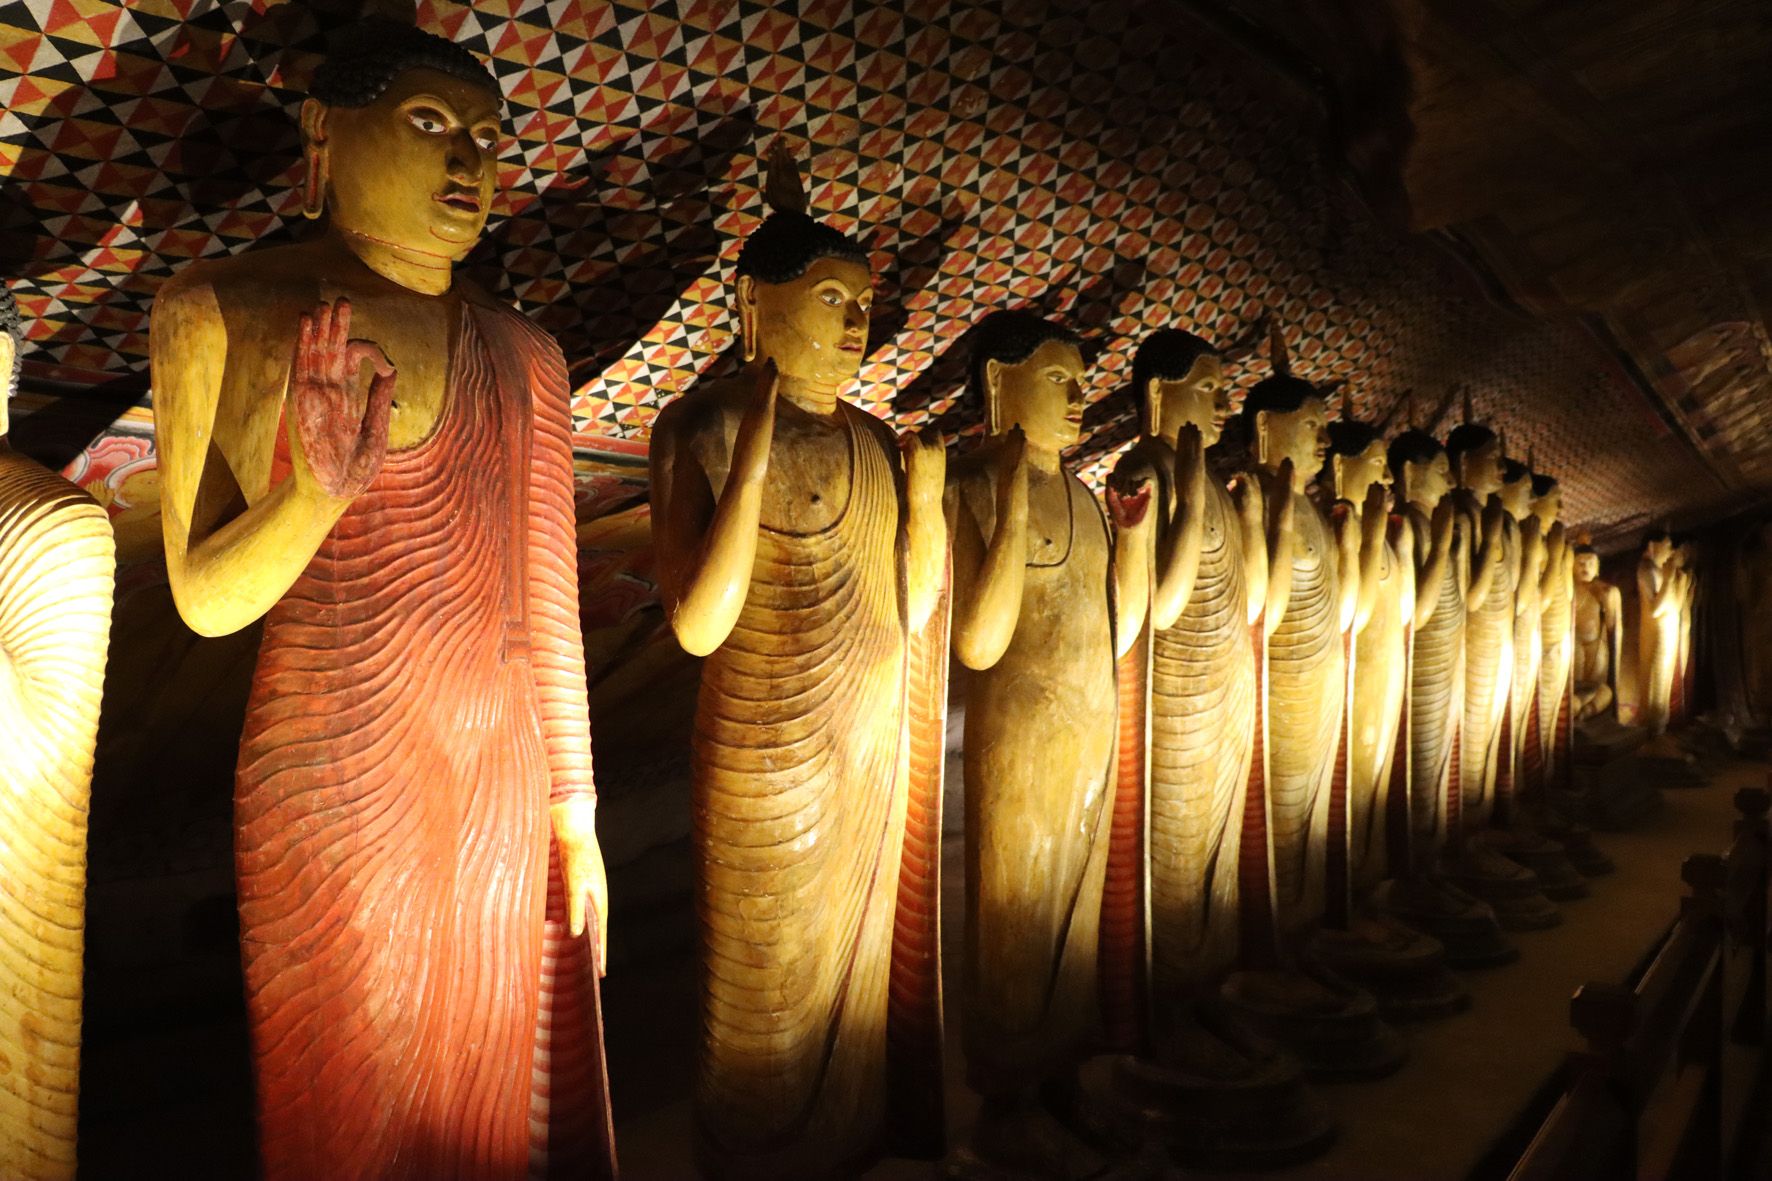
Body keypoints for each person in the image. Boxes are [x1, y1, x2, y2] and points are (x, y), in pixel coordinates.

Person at [149, 21, 612, 1177]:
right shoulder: (222, 307)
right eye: (426, 123)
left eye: (487, 140)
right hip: (338, 778)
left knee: (487, 1081)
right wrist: (312, 497)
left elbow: (546, 595)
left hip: (498, 773)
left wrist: (577, 811)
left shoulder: (528, 355)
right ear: (324, 136)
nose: (467, 162)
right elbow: (206, 598)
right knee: (350, 1095)